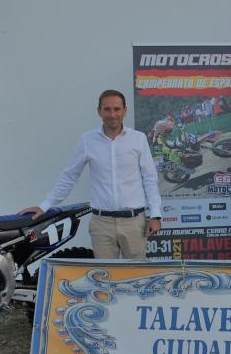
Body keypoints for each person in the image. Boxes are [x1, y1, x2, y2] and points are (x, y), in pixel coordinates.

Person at [20, 89, 162, 259]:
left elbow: (150, 179)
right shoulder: (88, 140)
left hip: (134, 223)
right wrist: (44, 205)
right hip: (102, 224)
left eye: (117, 109)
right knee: (104, 279)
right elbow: (69, 176)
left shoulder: (138, 139)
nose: (112, 114)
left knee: (136, 278)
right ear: (99, 111)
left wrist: (155, 215)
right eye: (107, 109)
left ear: (125, 110)